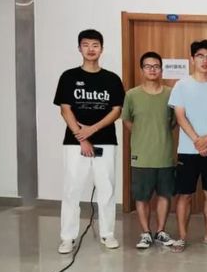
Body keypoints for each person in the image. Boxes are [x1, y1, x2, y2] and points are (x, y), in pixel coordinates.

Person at [54, 29, 124, 254]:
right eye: (86, 45)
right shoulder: (68, 77)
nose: (91, 49)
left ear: (102, 49)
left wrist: (92, 130)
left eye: (95, 45)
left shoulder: (112, 79)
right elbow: (65, 110)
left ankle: (108, 233)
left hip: (105, 141)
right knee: (71, 190)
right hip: (74, 143)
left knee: (107, 188)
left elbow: (116, 111)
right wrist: (82, 137)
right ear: (79, 48)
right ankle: (67, 237)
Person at [168, 39, 207, 252]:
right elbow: (180, 116)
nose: (205, 60)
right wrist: (197, 140)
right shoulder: (181, 85)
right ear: (192, 59)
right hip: (188, 150)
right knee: (184, 195)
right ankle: (182, 237)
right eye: (200, 56)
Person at [121, 51, 175, 249]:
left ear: (161, 69)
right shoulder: (132, 95)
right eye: (148, 66)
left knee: (164, 195)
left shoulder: (171, 94)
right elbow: (127, 120)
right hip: (141, 156)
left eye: (156, 66)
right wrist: (142, 134)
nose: (152, 70)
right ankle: (145, 233)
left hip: (164, 154)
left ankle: (160, 231)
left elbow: (173, 122)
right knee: (141, 196)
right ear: (141, 69)